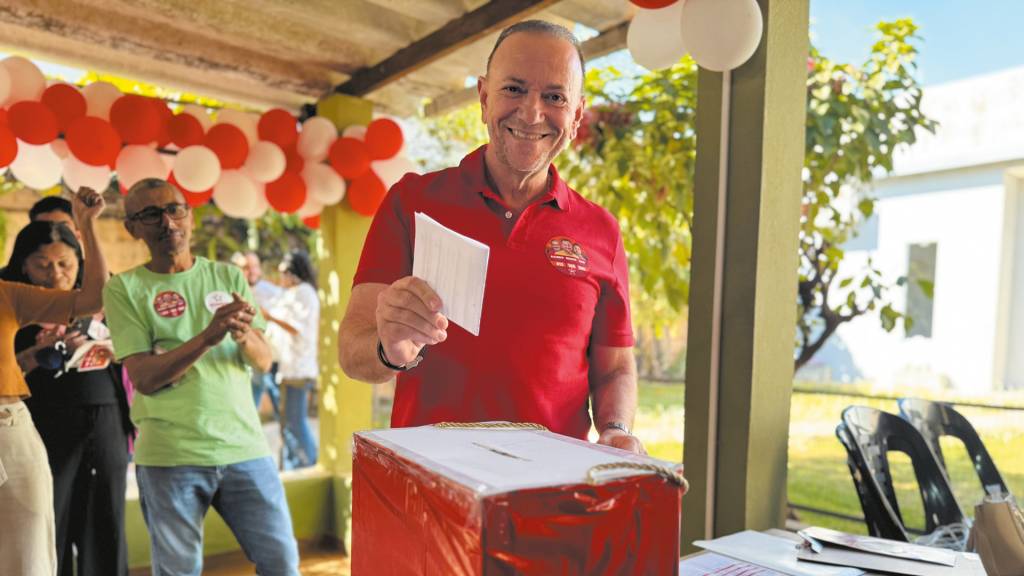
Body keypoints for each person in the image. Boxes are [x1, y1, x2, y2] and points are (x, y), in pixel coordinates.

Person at [338, 20, 644, 454]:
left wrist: (616, 427)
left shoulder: (601, 231)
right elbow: (352, 352)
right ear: (484, 98)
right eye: (514, 89)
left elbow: (614, 367)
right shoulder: (412, 202)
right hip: (433, 488)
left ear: (576, 115)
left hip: (551, 492)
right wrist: (390, 347)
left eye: (554, 97)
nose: (532, 112)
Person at [102, 178, 299, 575]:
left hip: (245, 447)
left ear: (189, 216)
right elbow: (145, 377)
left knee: (282, 562)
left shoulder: (227, 277)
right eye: (151, 214)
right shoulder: (125, 289)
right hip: (170, 455)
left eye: (175, 209)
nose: (168, 222)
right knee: (179, 571)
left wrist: (242, 335)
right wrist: (208, 337)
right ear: (133, 228)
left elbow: (263, 359)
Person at [3, 220, 133, 576]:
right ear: (23, 264)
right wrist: (38, 351)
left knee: (106, 518)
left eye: (65, 263)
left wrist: (110, 345)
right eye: (42, 264)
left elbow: (138, 347)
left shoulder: (99, 298)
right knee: (46, 518)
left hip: (103, 414)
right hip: (41, 421)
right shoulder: (15, 299)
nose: (55, 273)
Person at [263, 250, 320, 469]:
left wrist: (269, 316)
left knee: (295, 424)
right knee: (288, 424)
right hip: (285, 369)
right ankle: (290, 464)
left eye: (282, 273)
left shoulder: (304, 292)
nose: (280, 279)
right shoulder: (292, 293)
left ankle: (305, 464)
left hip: (298, 369)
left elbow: (296, 328)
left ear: (293, 273)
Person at [238, 251, 283, 413]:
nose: (251, 271)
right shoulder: (235, 292)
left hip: (272, 359)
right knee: (249, 409)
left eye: (255, 266)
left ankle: (287, 436)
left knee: (279, 407)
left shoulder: (273, 292)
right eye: (246, 267)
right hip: (248, 361)